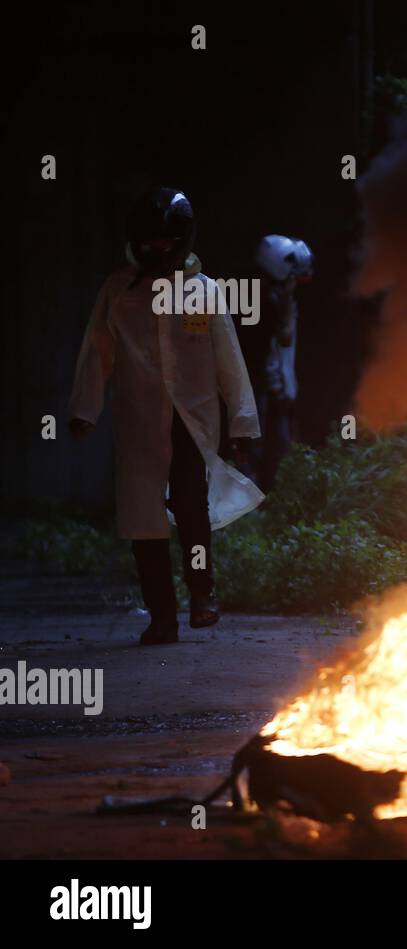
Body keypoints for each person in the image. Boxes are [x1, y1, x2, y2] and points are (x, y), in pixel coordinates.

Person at [69, 187, 264, 645]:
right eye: (149, 242)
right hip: (138, 423)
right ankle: (161, 617)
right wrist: (85, 410)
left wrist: (242, 425)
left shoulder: (205, 292)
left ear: (183, 240)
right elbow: (97, 352)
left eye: (165, 242)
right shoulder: (118, 290)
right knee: (144, 522)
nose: (157, 250)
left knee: (192, 507)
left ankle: (202, 592)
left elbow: (228, 363)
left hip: (191, 424)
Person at [244, 234, 312, 490]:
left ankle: (273, 506)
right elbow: (284, 337)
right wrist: (286, 302)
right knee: (255, 448)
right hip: (259, 386)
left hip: (274, 387)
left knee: (277, 448)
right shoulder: (265, 300)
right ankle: (250, 514)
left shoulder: (269, 294)